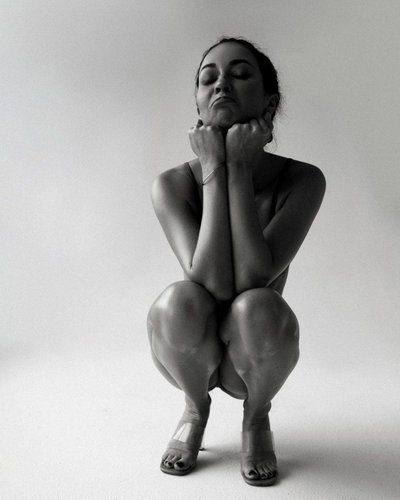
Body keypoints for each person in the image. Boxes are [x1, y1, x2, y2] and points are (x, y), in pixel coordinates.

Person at [146, 36, 326, 487]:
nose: (222, 85)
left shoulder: (303, 180)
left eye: (241, 75)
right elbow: (209, 282)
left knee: (259, 305)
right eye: (209, 79)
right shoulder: (170, 185)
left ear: (269, 103)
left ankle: (256, 416)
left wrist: (239, 168)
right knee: (177, 299)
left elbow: (251, 280)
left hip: (257, 354)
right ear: (198, 104)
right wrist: (214, 168)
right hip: (193, 355)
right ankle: (195, 408)